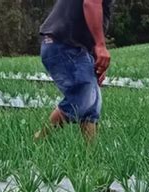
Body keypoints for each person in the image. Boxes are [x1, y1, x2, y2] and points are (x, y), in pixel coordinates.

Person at [34, 0, 114, 142]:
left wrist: (96, 58)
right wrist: (101, 45)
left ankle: (91, 159)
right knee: (82, 98)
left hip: (72, 46)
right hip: (64, 45)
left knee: (92, 106)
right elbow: (91, 3)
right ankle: (37, 141)